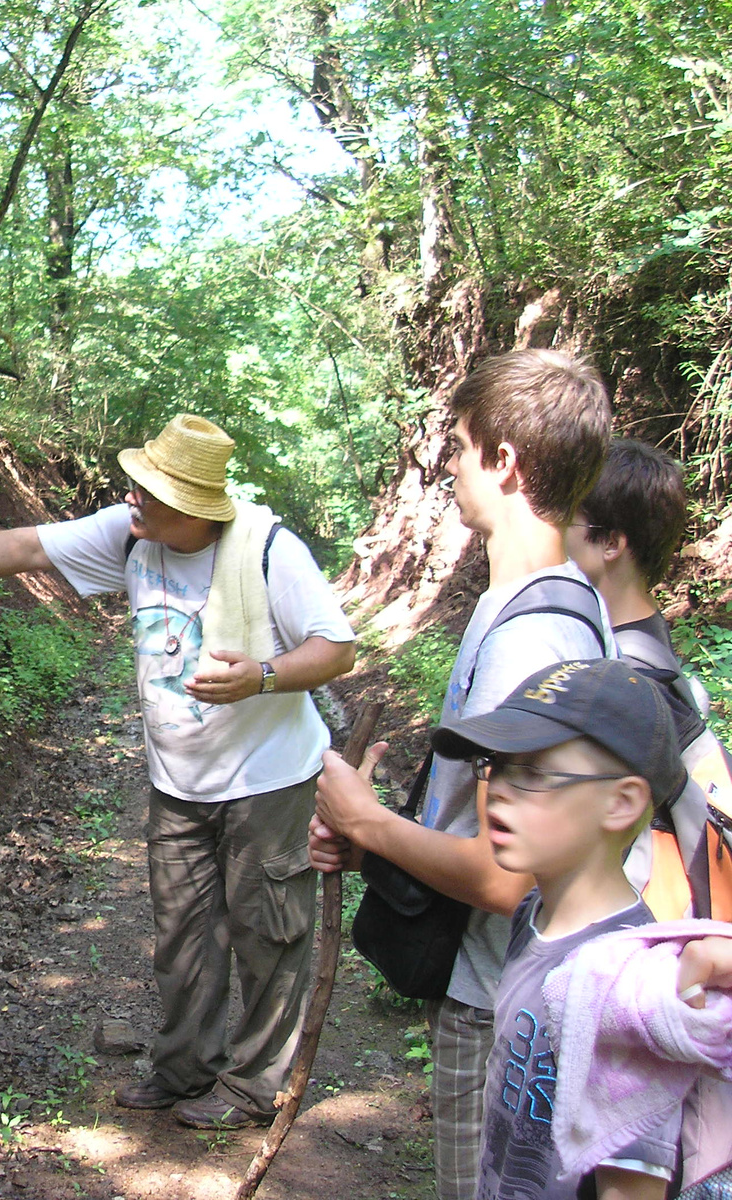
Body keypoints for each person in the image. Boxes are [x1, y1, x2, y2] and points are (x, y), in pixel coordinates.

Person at [0, 414, 356, 1129]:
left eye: (148, 489)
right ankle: (185, 1068)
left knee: (267, 933)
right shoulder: (130, 532)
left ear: (190, 505)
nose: (131, 496)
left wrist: (263, 676)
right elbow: (26, 545)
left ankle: (254, 1088)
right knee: (182, 936)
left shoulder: (271, 551)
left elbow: (336, 650)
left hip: (269, 781)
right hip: (177, 785)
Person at [311, 349, 613, 1200]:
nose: (446, 464)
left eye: (459, 444)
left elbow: (507, 877)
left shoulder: (533, 641)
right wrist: (376, 850)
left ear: (506, 460)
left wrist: (369, 822)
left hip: (503, 1006)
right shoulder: (533, 605)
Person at [424, 657, 687, 1200]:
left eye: (535, 773)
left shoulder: (629, 988)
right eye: (495, 764)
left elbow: (631, 1188)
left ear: (622, 802)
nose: (496, 788)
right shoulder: (533, 917)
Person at [564, 438, 705, 747]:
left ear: (611, 544)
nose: (551, 532)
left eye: (565, 520)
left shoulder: (630, 678)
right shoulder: (646, 638)